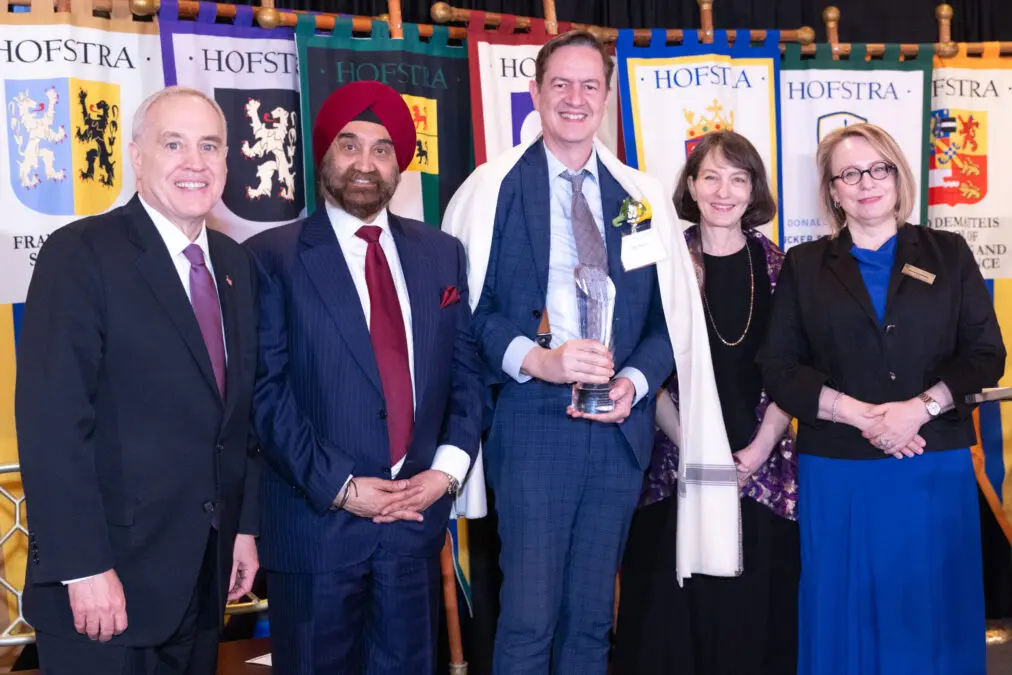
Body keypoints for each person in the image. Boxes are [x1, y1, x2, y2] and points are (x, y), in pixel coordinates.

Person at [443, 30, 736, 675]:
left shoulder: (641, 195)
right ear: (535, 92)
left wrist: (635, 379)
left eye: (589, 86)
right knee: (527, 617)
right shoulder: (492, 190)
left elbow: (671, 320)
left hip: (618, 434)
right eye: (560, 84)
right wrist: (537, 359)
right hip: (533, 426)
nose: (575, 99)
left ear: (606, 96)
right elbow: (469, 314)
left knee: (592, 622)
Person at [16, 85, 261, 674]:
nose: (194, 162)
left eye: (210, 146)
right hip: (106, 590)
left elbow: (238, 416)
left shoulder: (234, 265)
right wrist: (82, 567)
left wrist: (243, 529)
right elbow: (53, 425)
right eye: (173, 143)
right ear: (136, 155)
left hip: (203, 580)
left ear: (228, 162)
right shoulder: (80, 254)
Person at [246, 80, 483, 675]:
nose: (365, 163)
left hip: (413, 526)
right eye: (349, 146)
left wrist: (443, 475)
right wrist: (343, 486)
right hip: (317, 525)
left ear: (399, 164)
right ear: (324, 155)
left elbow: (466, 376)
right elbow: (264, 394)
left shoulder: (441, 254)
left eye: (382, 150)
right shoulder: (271, 256)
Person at [758, 122, 1005, 674]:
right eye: (850, 173)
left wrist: (921, 408)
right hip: (841, 471)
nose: (866, 182)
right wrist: (856, 413)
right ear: (832, 190)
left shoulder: (949, 252)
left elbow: (986, 354)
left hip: (932, 463)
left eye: (879, 168)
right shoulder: (805, 264)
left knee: (931, 613)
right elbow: (778, 369)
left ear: (898, 176)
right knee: (844, 610)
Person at [613, 130, 800, 675]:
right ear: (691, 185)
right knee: (669, 624)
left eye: (738, 178)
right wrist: (696, 445)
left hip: (760, 467)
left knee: (752, 620)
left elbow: (799, 369)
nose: (724, 191)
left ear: (754, 191)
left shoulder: (784, 268)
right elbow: (644, 359)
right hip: (677, 463)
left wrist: (759, 449)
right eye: (711, 176)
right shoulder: (660, 263)